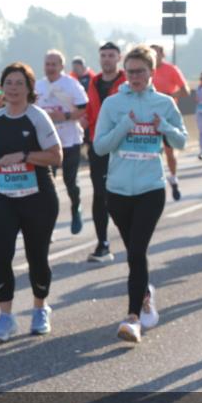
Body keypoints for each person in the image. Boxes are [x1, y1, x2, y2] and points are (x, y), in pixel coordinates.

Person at [93, 45, 187, 343]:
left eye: (140, 72)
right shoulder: (113, 104)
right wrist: (124, 125)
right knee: (134, 253)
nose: (135, 77)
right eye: (130, 72)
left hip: (151, 188)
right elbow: (100, 147)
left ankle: (133, 318)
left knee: (136, 252)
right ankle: (144, 292)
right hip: (117, 190)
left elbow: (181, 141)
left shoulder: (164, 103)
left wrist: (165, 126)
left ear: (152, 72)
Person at [0, 62, 62, 342]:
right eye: (8, 83)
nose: (13, 88)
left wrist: (25, 156)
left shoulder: (37, 117)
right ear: (1, 88)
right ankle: (5, 318)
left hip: (37, 197)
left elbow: (56, 156)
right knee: (0, 257)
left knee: (36, 256)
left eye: (19, 83)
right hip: (3, 196)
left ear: (29, 89)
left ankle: (40, 309)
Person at [35, 50, 89, 234]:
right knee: (46, 185)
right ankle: (46, 222)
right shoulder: (38, 86)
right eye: (47, 64)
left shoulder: (71, 84)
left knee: (70, 182)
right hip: (46, 144)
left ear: (61, 66)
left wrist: (65, 116)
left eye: (54, 64)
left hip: (69, 140)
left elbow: (83, 108)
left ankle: (76, 207)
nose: (50, 68)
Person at [83, 41, 127, 262]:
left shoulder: (127, 82)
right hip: (98, 144)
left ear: (119, 58)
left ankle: (130, 237)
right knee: (99, 194)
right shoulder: (94, 82)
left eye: (111, 55)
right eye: (103, 55)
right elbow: (91, 110)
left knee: (120, 194)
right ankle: (103, 244)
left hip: (122, 146)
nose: (107, 59)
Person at [150, 44, 188, 201]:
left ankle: (173, 177)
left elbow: (185, 90)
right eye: (151, 53)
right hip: (148, 116)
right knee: (151, 150)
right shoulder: (145, 71)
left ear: (162, 55)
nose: (154, 56)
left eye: (156, 53)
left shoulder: (171, 69)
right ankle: (153, 182)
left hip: (167, 116)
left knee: (169, 151)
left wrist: (169, 97)